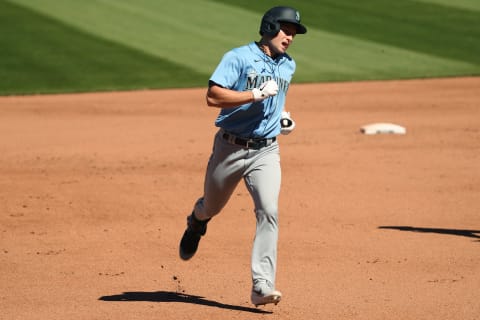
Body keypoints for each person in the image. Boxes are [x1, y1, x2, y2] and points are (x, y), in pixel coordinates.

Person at [179, 6, 307, 307]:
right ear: (269, 26)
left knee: (269, 211)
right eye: (286, 30)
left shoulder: (289, 65)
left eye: (294, 33)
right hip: (230, 148)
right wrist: (255, 94)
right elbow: (213, 97)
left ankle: (261, 285)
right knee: (212, 204)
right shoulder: (237, 57)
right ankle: (197, 222)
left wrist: (282, 118)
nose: (290, 37)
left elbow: (276, 100)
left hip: (267, 151)